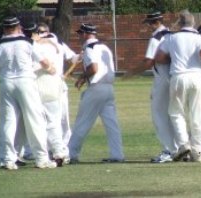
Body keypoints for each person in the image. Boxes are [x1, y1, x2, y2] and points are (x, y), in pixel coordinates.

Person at [0, 16, 57, 169]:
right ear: (18, 27)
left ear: (4, 29)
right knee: (35, 119)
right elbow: (44, 62)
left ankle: (7, 159)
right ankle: (41, 158)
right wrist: (51, 68)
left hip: (6, 82)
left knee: (8, 121)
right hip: (25, 81)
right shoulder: (27, 42)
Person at [155, 10, 201, 162]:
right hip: (196, 77)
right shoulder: (199, 37)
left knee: (176, 112)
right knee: (196, 114)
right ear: (193, 23)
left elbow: (159, 57)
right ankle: (198, 151)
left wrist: (173, 58)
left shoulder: (171, 38)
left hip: (178, 76)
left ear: (180, 24)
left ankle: (183, 144)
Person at [68, 23, 124, 163]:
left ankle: (70, 154)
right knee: (112, 124)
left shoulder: (89, 48)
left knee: (83, 122)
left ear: (86, 34)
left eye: (80, 33)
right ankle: (117, 155)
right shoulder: (105, 47)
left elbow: (94, 68)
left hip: (96, 87)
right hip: (109, 88)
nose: (79, 36)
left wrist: (82, 77)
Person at [22, 23, 69, 166]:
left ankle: (41, 155)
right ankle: (59, 152)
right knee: (54, 121)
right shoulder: (54, 42)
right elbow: (50, 42)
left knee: (38, 123)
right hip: (54, 85)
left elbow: (39, 65)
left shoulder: (31, 45)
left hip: (37, 84)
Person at [140, 11, 178, 163]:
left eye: (148, 23)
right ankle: (179, 148)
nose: (148, 27)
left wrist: (133, 71)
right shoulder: (172, 35)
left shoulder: (156, 38)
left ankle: (169, 150)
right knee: (174, 116)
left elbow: (149, 61)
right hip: (174, 77)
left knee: (159, 116)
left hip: (162, 79)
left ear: (152, 23)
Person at [37, 22, 80, 147]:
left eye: (43, 31)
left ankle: (63, 145)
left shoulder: (59, 44)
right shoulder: (35, 45)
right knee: (41, 117)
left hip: (57, 84)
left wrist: (79, 56)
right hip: (41, 83)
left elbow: (73, 58)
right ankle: (43, 146)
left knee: (62, 117)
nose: (42, 34)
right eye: (39, 31)